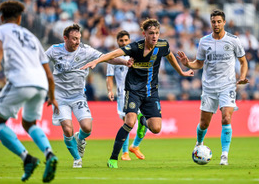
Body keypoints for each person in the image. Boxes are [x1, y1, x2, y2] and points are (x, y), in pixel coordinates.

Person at [81, 18, 194, 168]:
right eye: (151, 33)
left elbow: (170, 56)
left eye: (157, 33)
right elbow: (114, 53)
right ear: (144, 34)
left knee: (156, 128)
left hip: (151, 92)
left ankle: (143, 121)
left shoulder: (162, 45)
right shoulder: (135, 47)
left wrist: (181, 72)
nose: (154, 36)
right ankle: (114, 158)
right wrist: (98, 61)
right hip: (133, 90)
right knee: (129, 122)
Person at [45, 24, 131, 168]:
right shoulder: (54, 50)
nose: (77, 42)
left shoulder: (86, 50)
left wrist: (124, 61)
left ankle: (80, 138)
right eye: (73, 39)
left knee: (87, 127)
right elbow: (40, 61)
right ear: (65, 38)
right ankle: (77, 158)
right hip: (60, 97)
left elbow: (106, 58)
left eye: (78, 38)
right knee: (67, 128)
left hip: (78, 96)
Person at [0, 0, 58, 182]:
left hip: (20, 81)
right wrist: (52, 97)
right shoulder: (32, 37)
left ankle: (27, 158)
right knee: (29, 123)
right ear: (20, 18)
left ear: (1, 18)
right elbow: (49, 74)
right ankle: (49, 154)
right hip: (41, 84)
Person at [177, 9, 249, 166]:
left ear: (224, 22)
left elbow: (243, 61)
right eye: (213, 22)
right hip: (209, 87)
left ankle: (224, 155)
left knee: (226, 117)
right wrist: (188, 63)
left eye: (218, 21)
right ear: (211, 23)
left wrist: (242, 77)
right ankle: (199, 143)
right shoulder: (204, 41)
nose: (216, 24)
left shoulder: (233, 40)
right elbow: (199, 63)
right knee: (204, 123)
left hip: (228, 86)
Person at [106, 30, 146, 161]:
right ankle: (125, 152)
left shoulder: (136, 55)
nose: (123, 43)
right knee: (127, 123)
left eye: (126, 40)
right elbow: (109, 77)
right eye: (121, 41)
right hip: (123, 95)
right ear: (117, 42)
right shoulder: (113, 57)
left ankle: (135, 146)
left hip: (139, 93)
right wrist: (110, 90)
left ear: (130, 41)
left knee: (145, 121)